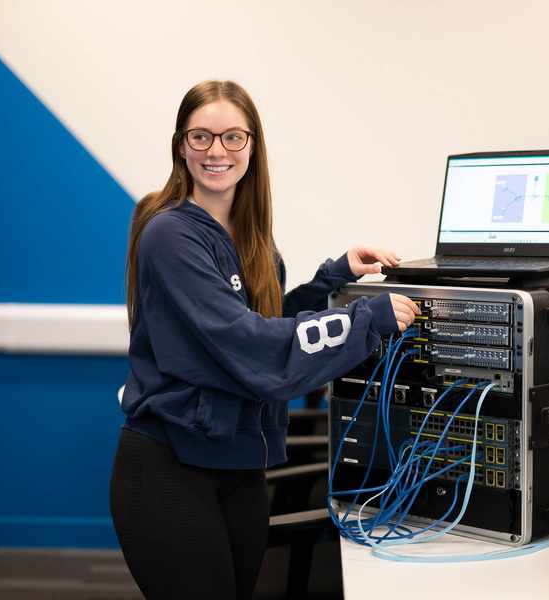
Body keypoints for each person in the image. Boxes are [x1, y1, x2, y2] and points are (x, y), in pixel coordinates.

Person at [110, 80, 419, 599]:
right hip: (171, 470)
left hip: (240, 468)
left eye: (233, 137)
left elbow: (265, 319)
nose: (217, 151)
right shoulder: (170, 235)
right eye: (201, 136)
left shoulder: (251, 237)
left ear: (252, 146)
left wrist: (332, 278)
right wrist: (365, 320)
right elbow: (249, 346)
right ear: (181, 145)